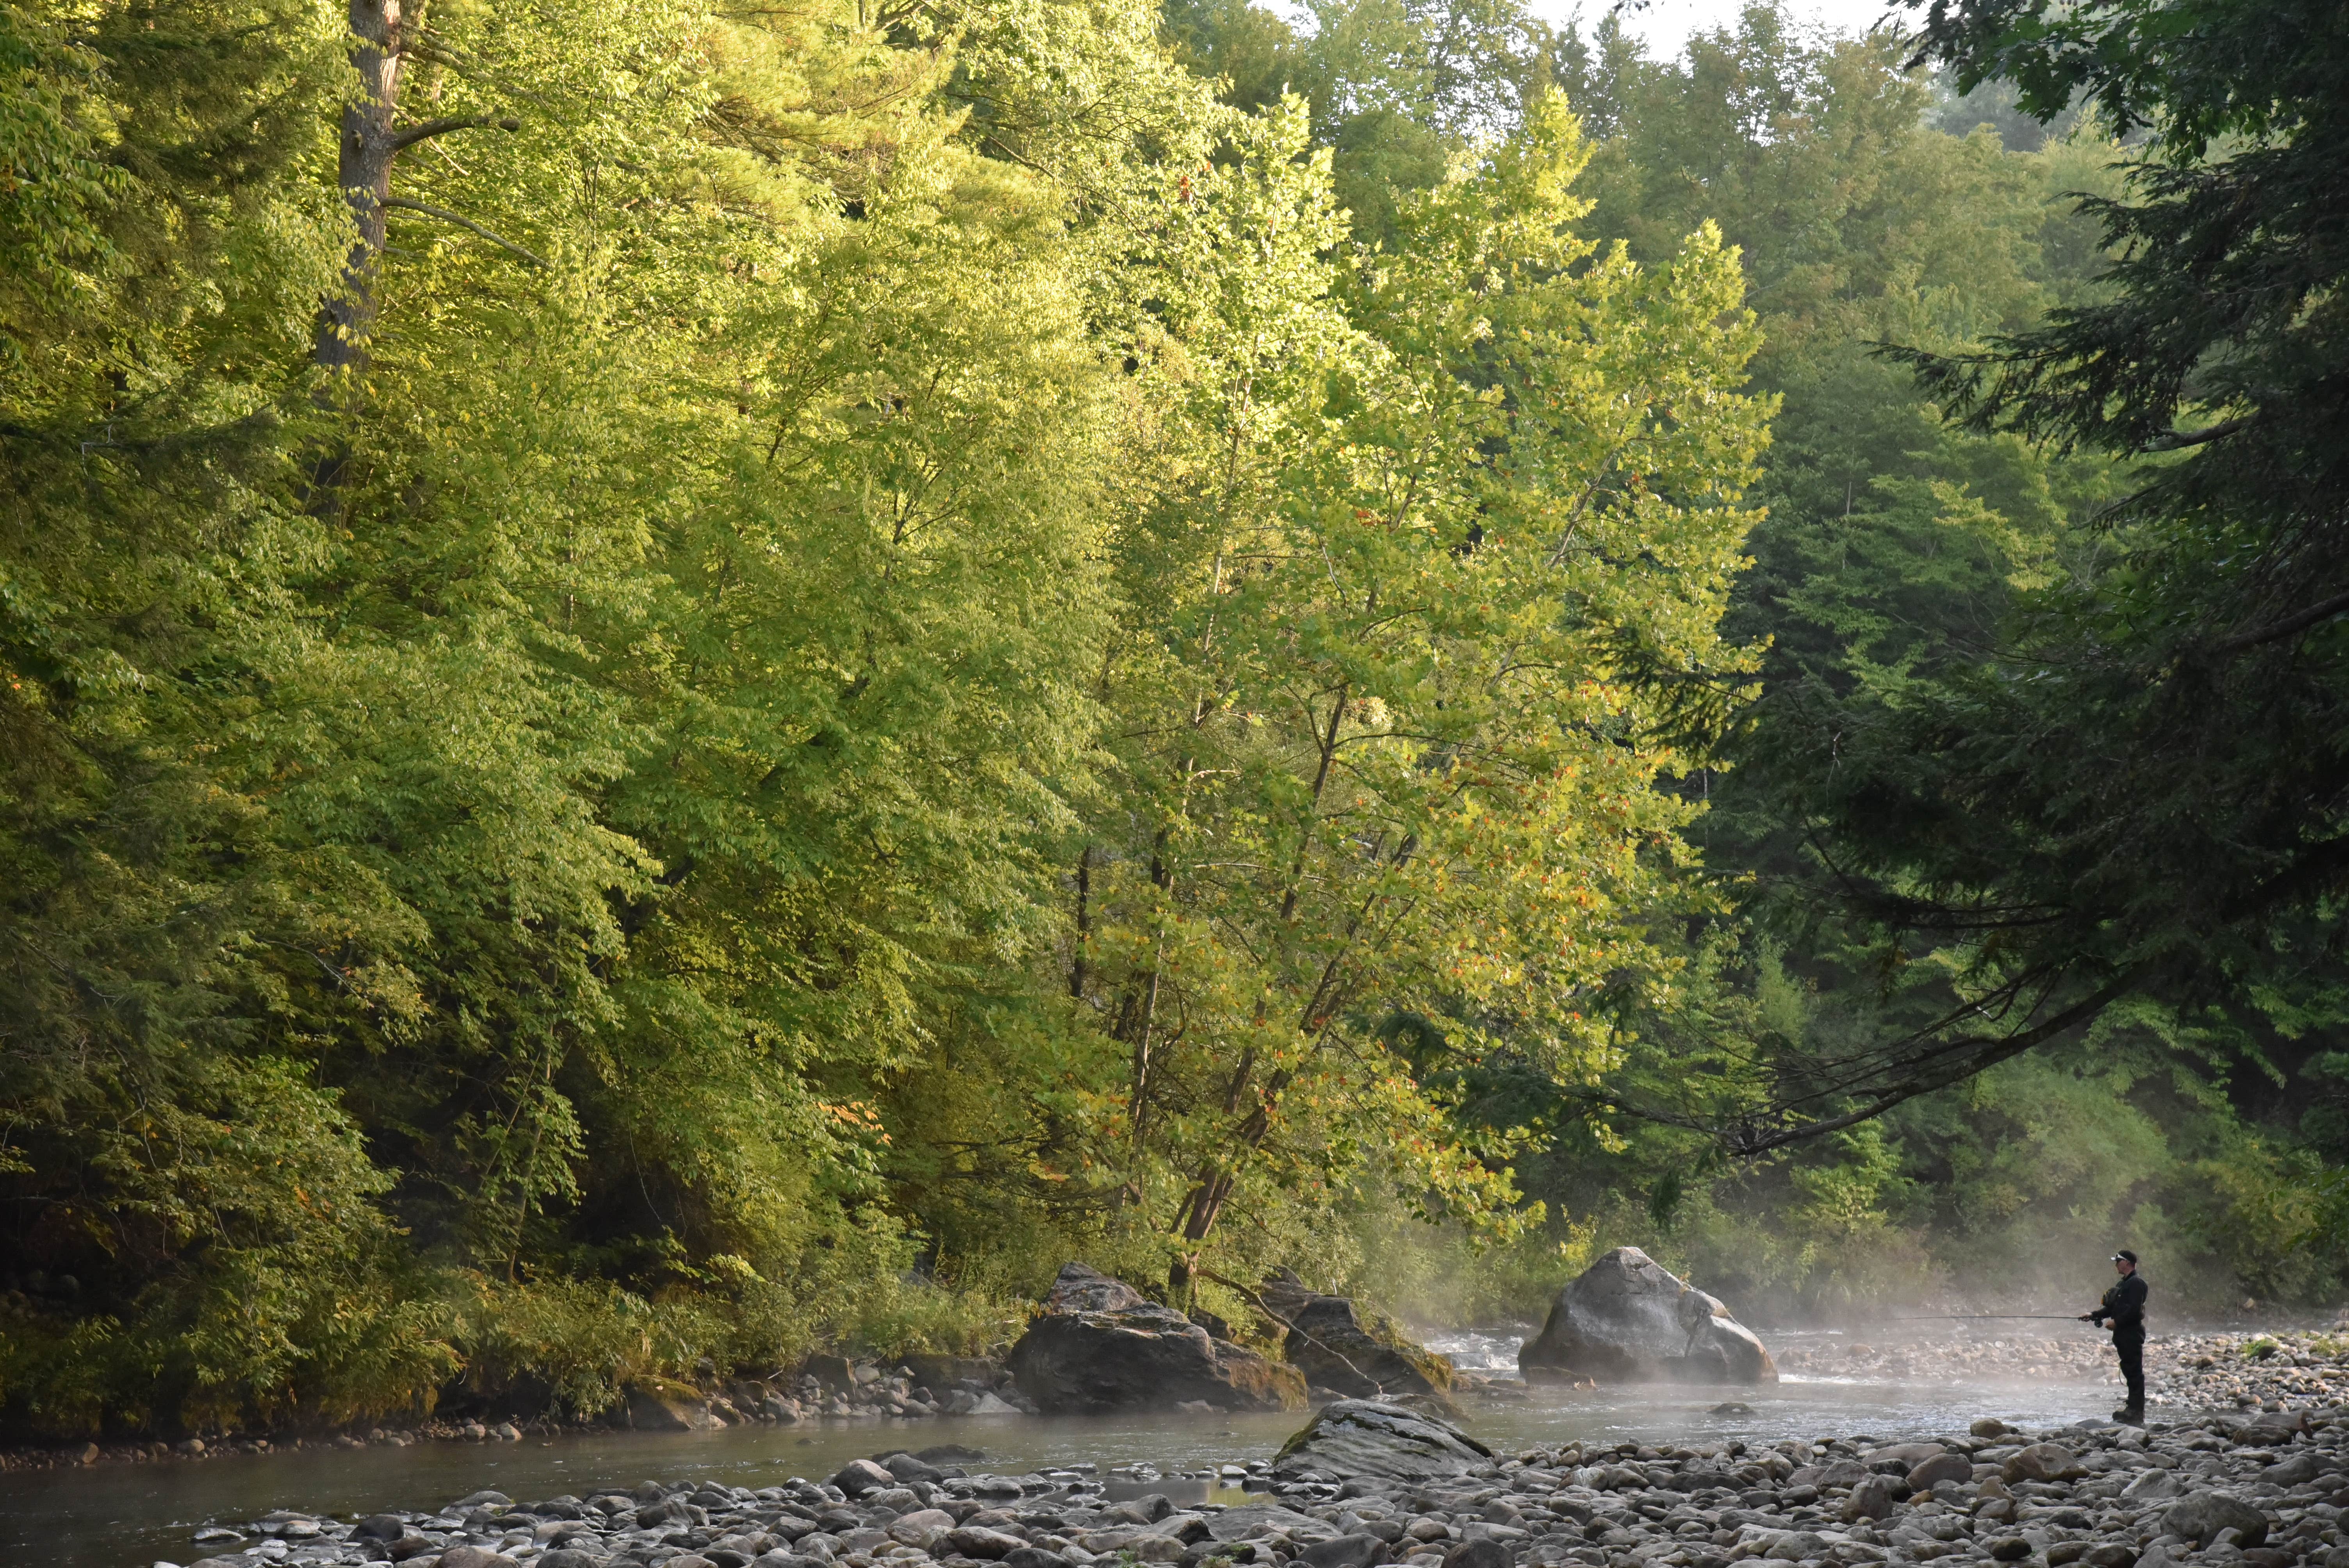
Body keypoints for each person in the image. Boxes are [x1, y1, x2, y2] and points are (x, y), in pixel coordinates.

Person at [2082, 1250, 2148, 1422]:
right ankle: (2132, 1408)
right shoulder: (2124, 1283)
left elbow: (2134, 1311)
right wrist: (2093, 1315)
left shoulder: (2137, 1283)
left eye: (2118, 1261)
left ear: (2127, 1263)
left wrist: (2117, 1322)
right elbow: (2112, 1309)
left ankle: (2136, 1411)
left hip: (2132, 1334)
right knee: (2128, 1369)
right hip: (2123, 1335)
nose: (2116, 1265)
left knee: (2134, 1372)